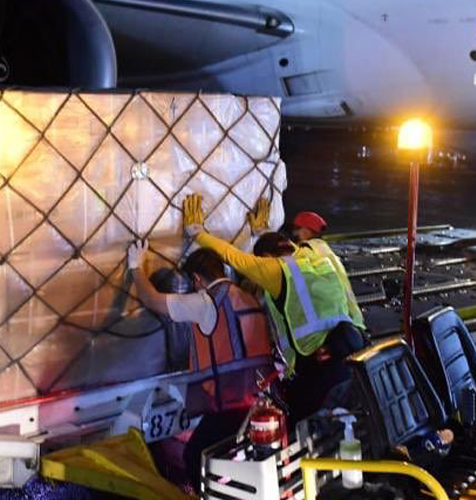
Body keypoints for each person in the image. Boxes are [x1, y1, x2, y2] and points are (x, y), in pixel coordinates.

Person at [183, 194, 369, 420]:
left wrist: (197, 233)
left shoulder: (276, 270)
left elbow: (234, 257)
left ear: (268, 257)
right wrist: (263, 234)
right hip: (351, 350)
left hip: (316, 368)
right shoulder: (321, 254)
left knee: (304, 426)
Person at [126, 241, 271, 490]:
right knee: (239, 460)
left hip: (229, 403)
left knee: (195, 457)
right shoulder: (247, 296)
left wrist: (135, 267)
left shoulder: (205, 302)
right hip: (259, 398)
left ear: (196, 279)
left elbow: (152, 300)